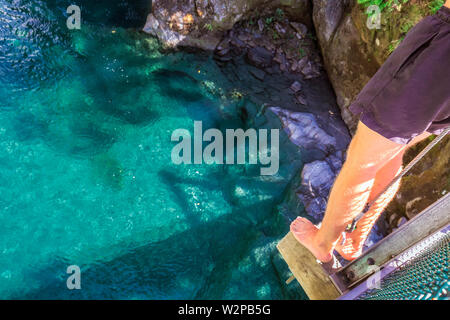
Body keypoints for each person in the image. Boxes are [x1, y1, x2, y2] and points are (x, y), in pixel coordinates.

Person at [290, 2, 450, 262]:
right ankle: (356, 238)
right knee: (392, 149)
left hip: (441, 57)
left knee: (363, 161)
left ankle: (323, 243)